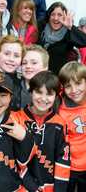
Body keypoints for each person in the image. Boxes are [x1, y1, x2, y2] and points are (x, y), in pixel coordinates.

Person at [17, 71, 70, 192]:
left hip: (49, 187)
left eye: (49, 94)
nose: (43, 98)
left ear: (56, 96)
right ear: (30, 92)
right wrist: (31, 187)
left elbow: (63, 159)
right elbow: (13, 158)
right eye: (39, 92)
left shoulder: (59, 124)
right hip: (22, 186)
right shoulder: (17, 118)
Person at [58, 61, 86, 192]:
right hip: (68, 167)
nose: (74, 90)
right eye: (68, 86)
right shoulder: (59, 107)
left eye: (79, 83)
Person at [37, 2, 86, 74]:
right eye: (53, 14)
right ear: (49, 16)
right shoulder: (42, 27)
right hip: (38, 72)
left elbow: (84, 41)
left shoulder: (68, 32)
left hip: (56, 76)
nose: (56, 18)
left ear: (64, 17)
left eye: (59, 15)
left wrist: (70, 27)